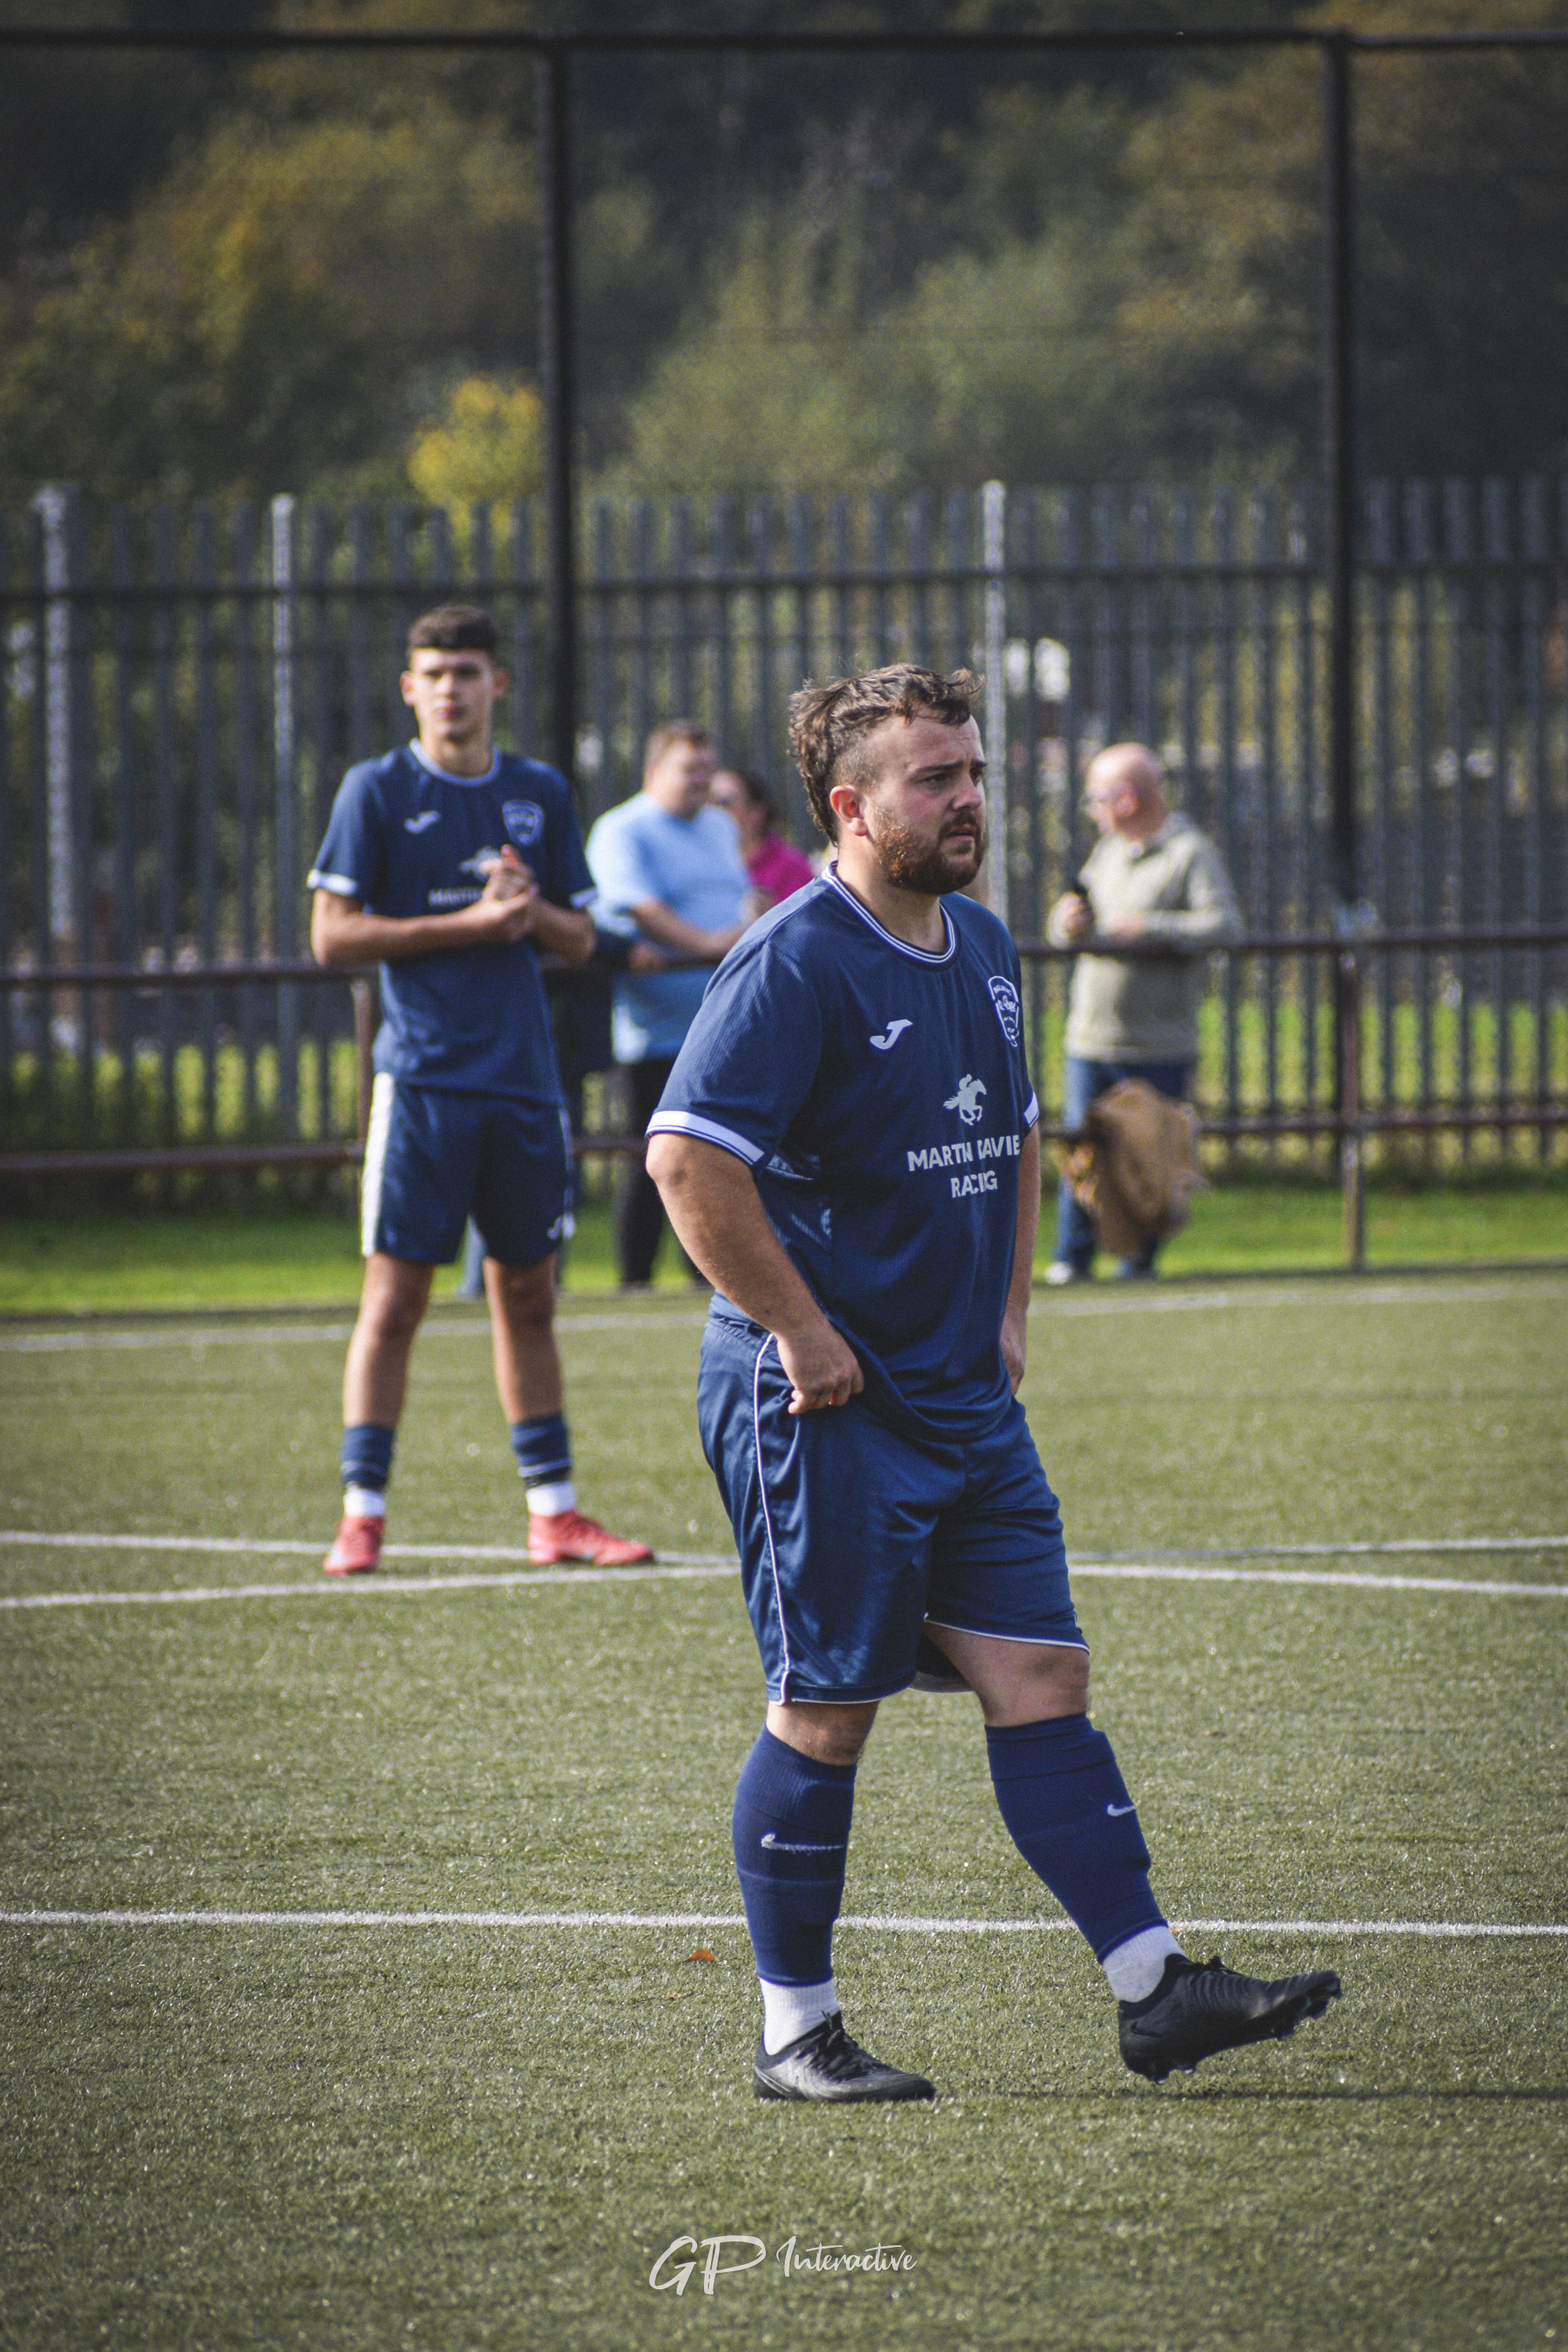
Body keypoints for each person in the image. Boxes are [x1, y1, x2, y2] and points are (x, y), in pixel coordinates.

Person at [646, 662, 1340, 2103]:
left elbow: (1018, 1134)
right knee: (826, 1705)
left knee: (1040, 1673)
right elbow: (686, 1164)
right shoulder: (792, 962)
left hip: (963, 1395)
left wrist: (1012, 1303)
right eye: (932, 778)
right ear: (850, 805)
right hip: (825, 1403)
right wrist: (800, 1330)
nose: (968, 799)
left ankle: (1155, 1991)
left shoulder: (983, 943)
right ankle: (795, 2034)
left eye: (972, 771)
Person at [307, 603, 653, 1577]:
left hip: (524, 1087)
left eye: (468, 670)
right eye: (435, 672)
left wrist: (526, 906)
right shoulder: (374, 790)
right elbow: (331, 936)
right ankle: (361, 1514)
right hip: (421, 1084)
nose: (452, 687)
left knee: (529, 1299)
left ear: (498, 684)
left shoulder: (538, 793)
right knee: (395, 1301)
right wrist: (469, 922)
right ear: (409, 688)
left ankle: (555, 1515)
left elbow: (580, 938)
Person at [1046, 742, 1241, 1283]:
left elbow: (1225, 926)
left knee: (1150, 1160)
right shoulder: (1107, 850)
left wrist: (1153, 926)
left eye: (1097, 798)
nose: (1092, 809)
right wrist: (1068, 924)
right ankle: (1072, 1258)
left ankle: (1138, 1263)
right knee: (1085, 1155)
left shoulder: (1189, 852)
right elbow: (1066, 932)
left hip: (1159, 1044)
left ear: (1127, 798)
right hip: (1091, 1039)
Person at [586, 721, 751, 1287]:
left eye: (708, 768)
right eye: (690, 769)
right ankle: (635, 1278)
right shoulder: (621, 830)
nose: (702, 780)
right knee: (650, 1157)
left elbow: (737, 896)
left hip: (722, 1024)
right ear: (653, 772)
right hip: (655, 1030)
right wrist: (706, 945)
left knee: (723, 1159)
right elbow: (640, 909)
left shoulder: (720, 827)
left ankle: (708, 1273)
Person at [709, 764, 817, 909]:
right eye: (707, 802)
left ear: (756, 812)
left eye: (724, 803)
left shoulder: (790, 867)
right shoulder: (700, 860)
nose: (711, 811)